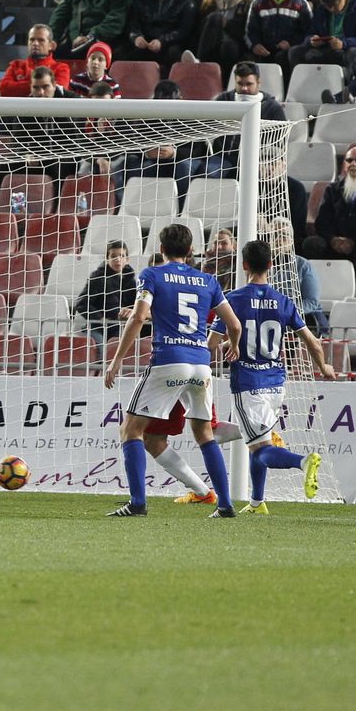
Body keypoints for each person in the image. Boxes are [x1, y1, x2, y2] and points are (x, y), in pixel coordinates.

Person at [102, 222, 242, 518]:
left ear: (161, 249)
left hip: (168, 360)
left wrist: (115, 361)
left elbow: (139, 316)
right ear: (191, 251)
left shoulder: (151, 274)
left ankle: (138, 503)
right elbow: (234, 324)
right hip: (201, 364)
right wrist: (235, 345)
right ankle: (225, 504)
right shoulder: (209, 281)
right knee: (204, 434)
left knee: (131, 429)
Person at [209, 238, 336, 514]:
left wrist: (214, 359)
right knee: (259, 441)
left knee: (260, 448)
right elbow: (312, 342)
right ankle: (257, 502)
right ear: (270, 265)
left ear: (244, 266)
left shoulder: (232, 300)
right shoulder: (283, 301)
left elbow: (211, 344)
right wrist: (324, 367)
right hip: (277, 383)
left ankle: (303, 461)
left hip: (247, 383)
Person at [75, 239, 137, 340]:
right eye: (113, 256)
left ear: (127, 259)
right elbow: (81, 303)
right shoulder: (98, 277)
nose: (118, 259)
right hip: (97, 328)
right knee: (101, 350)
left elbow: (135, 305)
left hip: (120, 329)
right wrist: (100, 318)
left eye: (122, 255)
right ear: (107, 259)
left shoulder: (131, 280)